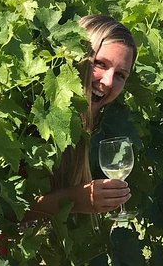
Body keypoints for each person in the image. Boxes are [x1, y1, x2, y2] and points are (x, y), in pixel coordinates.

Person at [25, 14, 138, 220]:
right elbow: (0, 214)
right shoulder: (31, 117)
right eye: (100, 64)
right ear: (76, 57)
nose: (109, 82)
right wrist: (73, 200)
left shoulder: (94, 127)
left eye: (121, 75)